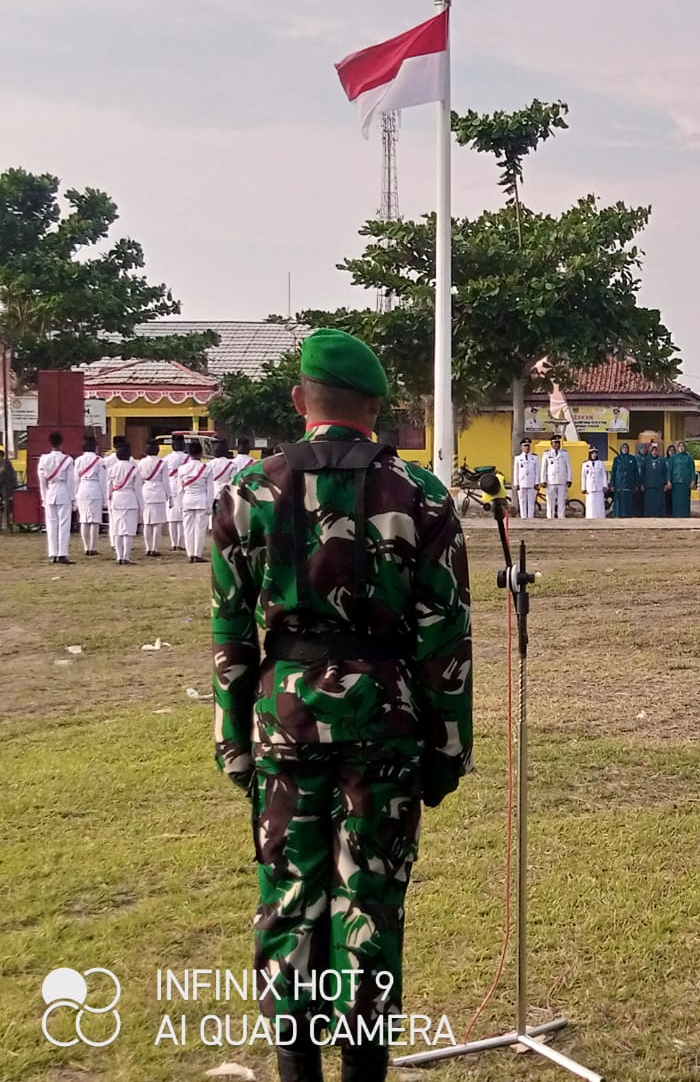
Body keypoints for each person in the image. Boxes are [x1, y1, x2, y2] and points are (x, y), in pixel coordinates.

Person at [210, 328, 472, 1082]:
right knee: (370, 894)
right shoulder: (419, 495)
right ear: (379, 409)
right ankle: (363, 1068)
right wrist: (449, 746)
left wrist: (233, 739)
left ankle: (297, 1066)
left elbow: (231, 627)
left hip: (283, 719)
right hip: (385, 724)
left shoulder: (247, 489)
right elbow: (443, 635)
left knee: (291, 894)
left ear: (300, 401)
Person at [37, 431, 76, 564]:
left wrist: (43, 497)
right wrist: (73, 498)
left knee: (51, 524)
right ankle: (62, 553)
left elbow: (42, 481)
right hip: (63, 491)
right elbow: (71, 481)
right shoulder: (68, 460)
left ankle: (53, 553)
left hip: (50, 492)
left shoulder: (43, 459)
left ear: (50, 443)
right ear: (61, 443)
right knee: (64, 524)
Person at [105, 442, 141, 565]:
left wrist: (108, 500)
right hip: (130, 498)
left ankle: (119, 556)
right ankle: (126, 556)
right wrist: (141, 505)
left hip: (116, 498)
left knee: (117, 529)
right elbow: (138, 489)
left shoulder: (112, 469)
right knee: (128, 530)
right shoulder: (134, 469)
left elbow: (108, 487)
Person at [72, 436, 108, 557]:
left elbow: (75, 479)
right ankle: (93, 546)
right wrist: (105, 497)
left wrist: (75, 495)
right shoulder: (99, 461)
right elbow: (103, 481)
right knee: (95, 521)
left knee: (84, 520)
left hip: (82, 489)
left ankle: (86, 547)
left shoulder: (78, 461)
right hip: (95, 489)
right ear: (95, 447)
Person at [179, 441, 214, 562]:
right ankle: (197, 554)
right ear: (201, 453)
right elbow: (210, 489)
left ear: (189, 453)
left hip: (187, 499)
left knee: (188, 528)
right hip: (201, 500)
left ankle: (190, 554)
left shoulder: (182, 469)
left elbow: (180, 489)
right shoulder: (207, 468)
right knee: (200, 529)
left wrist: (180, 505)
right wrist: (210, 506)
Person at [138, 440, 170, 557]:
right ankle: (155, 548)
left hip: (146, 491)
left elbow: (139, 480)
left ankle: (148, 547)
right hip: (159, 492)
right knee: (157, 523)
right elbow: (166, 481)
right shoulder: (162, 463)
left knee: (147, 522)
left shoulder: (141, 462)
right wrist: (168, 494)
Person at [165, 433, 191, 553]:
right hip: (183, 486)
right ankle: (181, 542)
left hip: (169, 486)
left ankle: (173, 542)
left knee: (171, 517)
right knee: (181, 517)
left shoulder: (166, 459)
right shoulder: (188, 458)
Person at [541, 436, 573, 519]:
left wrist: (569, 479)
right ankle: (550, 517)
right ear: (551, 444)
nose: (556, 445)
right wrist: (543, 480)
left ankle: (561, 516)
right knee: (550, 501)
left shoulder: (564, 454)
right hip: (550, 481)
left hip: (562, 480)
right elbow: (543, 468)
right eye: (554, 443)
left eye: (558, 443)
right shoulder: (547, 454)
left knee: (561, 500)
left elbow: (568, 467)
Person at [512, 438, 541, 519]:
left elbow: (537, 471)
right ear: (521, 447)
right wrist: (516, 483)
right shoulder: (518, 458)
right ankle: (523, 517)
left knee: (531, 502)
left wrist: (537, 482)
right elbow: (516, 472)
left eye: (528, 446)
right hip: (522, 482)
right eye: (525, 446)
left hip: (531, 482)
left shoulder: (534, 458)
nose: (527, 448)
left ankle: (531, 518)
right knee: (522, 501)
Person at [640, 441, 668, 517]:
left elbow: (665, 472)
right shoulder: (646, 461)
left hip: (659, 485)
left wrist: (666, 483)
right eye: (653, 450)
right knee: (649, 502)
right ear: (650, 451)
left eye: (656, 450)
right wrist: (641, 484)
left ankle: (660, 516)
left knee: (659, 502)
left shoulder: (662, 461)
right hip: (648, 485)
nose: (654, 452)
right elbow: (642, 473)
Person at [668, 440, 695, 518]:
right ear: (677, 448)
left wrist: (693, 480)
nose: (681, 448)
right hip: (676, 481)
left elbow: (692, 470)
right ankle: (676, 514)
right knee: (676, 500)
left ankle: (685, 514)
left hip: (686, 481)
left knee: (685, 499)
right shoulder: (673, 457)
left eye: (682, 446)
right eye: (679, 446)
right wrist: (669, 481)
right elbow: (670, 470)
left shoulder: (689, 457)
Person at [611, 443, 638, 518]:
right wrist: (612, 484)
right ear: (621, 449)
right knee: (619, 501)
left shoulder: (632, 458)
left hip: (630, 484)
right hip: (619, 484)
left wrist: (636, 484)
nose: (625, 449)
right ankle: (619, 515)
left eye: (626, 447)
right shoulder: (617, 459)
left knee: (629, 501)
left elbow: (636, 472)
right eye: (623, 448)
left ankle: (629, 515)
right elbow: (613, 472)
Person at [581, 447, 608, 518]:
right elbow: (583, 477)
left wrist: (605, 485)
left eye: (595, 453)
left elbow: (604, 475)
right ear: (590, 454)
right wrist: (583, 488)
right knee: (590, 503)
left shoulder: (600, 463)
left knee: (599, 503)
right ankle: (590, 517)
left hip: (599, 487)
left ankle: (600, 517)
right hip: (589, 487)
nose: (594, 454)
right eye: (592, 453)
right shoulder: (585, 464)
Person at [0, 443, 17, 533]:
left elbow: (1, 472)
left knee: (6, 503)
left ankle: (6, 522)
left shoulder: (6, 462)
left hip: (9, 486)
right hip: (3, 485)